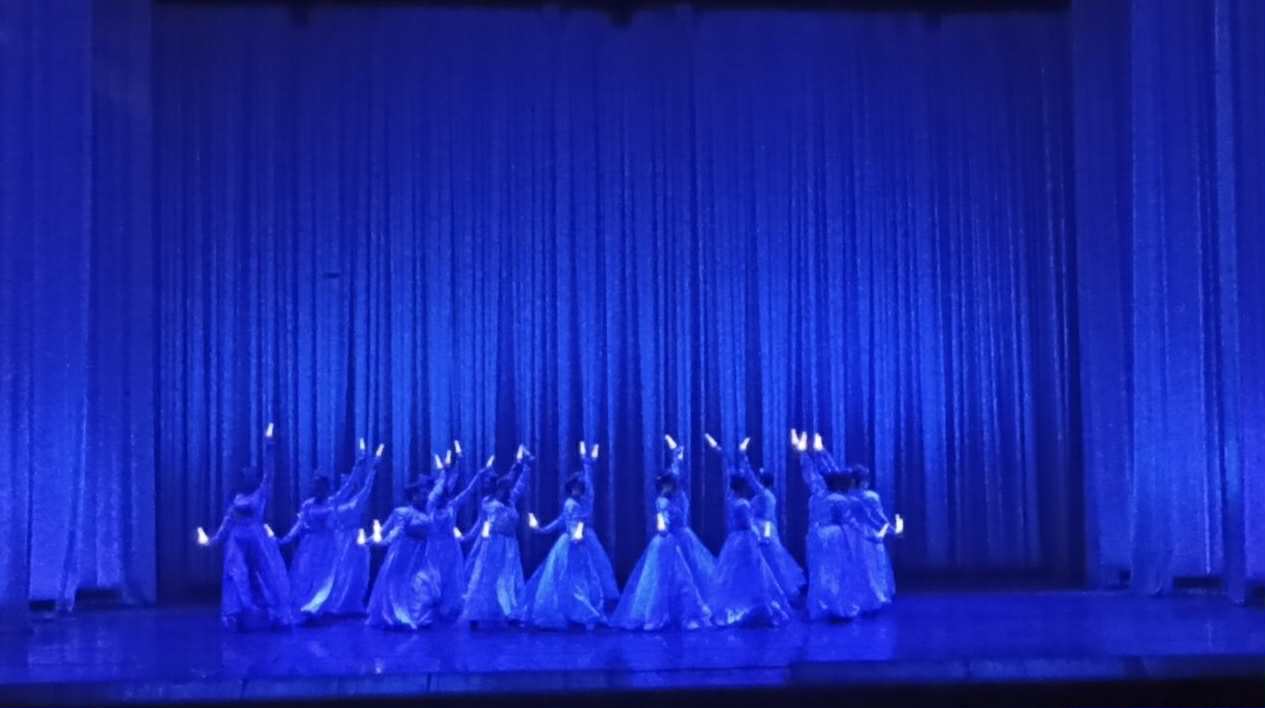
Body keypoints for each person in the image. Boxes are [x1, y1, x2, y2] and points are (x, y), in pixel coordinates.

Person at [200, 424, 294, 631]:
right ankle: (238, 614)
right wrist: (211, 541)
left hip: (256, 539)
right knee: (237, 575)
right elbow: (226, 525)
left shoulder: (260, 494)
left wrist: (269, 447)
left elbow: (269, 474)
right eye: (245, 475)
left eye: (251, 474)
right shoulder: (236, 500)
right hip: (236, 541)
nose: (248, 477)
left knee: (266, 573)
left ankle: (274, 614)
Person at [517, 442, 617, 630]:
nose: (579, 490)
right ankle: (578, 613)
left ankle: (583, 612)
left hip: (581, 540)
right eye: (576, 488)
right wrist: (543, 530)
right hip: (573, 543)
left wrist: (588, 466)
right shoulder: (571, 504)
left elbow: (589, 493)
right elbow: (565, 522)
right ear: (571, 489)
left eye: (580, 488)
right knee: (571, 577)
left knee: (585, 576)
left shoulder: (582, 503)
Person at [278, 443, 382, 622]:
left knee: (324, 578)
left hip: (327, 545)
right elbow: (300, 524)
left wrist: (360, 465)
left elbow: (350, 484)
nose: (315, 488)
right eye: (314, 485)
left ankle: (315, 609)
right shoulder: (308, 505)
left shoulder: (333, 502)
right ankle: (304, 607)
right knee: (305, 575)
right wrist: (287, 538)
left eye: (319, 486)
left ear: (325, 488)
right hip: (309, 546)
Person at [794, 430, 884, 621]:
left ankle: (823, 604)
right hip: (834, 537)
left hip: (816, 535)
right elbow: (851, 521)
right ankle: (838, 605)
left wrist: (806, 454)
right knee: (838, 570)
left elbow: (812, 473)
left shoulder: (818, 495)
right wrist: (872, 535)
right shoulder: (838, 499)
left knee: (821, 570)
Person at [706, 435, 806, 601]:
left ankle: (774, 592)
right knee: (770, 560)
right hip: (765, 528)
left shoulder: (764, 494)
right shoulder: (767, 495)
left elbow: (750, 477)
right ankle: (773, 591)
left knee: (769, 560)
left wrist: (743, 456)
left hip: (762, 529)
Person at [459, 446, 532, 627]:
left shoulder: (511, 500)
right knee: (486, 576)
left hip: (509, 544)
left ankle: (511, 613)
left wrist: (526, 466)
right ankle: (475, 614)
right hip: (492, 543)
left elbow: (521, 483)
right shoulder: (488, 503)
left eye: (508, 488)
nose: (507, 490)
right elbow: (480, 523)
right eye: (504, 487)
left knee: (508, 577)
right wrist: (466, 537)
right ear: (498, 488)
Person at [708, 472, 792, 627]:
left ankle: (737, 605)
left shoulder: (732, 501)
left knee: (735, 571)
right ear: (742, 487)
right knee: (753, 571)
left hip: (735, 538)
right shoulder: (744, 504)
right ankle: (755, 605)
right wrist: (758, 535)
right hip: (746, 539)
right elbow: (748, 523)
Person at [427, 444, 494, 620]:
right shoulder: (430, 507)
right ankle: (431, 604)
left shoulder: (452, 505)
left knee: (451, 576)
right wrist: (446, 472)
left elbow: (469, 491)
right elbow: (445, 482)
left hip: (450, 546)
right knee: (434, 576)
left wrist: (478, 475)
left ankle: (448, 606)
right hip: (433, 546)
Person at [365, 477, 441, 629]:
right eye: (422, 494)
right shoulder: (402, 512)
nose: (425, 497)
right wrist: (380, 542)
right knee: (398, 584)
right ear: (413, 496)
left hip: (420, 555)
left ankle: (417, 615)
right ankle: (398, 615)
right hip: (403, 554)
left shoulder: (427, 514)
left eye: (426, 494)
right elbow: (394, 531)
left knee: (422, 584)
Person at [850, 463, 898, 605]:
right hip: (869, 533)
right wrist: (891, 530)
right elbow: (879, 517)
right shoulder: (871, 496)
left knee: (855, 564)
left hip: (851, 533)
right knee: (872, 564)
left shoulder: (847, 495)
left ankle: (856, 597)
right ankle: (875, 595)